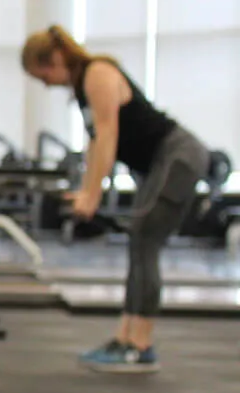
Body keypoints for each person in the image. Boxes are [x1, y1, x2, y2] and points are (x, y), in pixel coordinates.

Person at [21, 25, 209, 373]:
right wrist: (87, 189)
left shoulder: (98, 73)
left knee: (145, 239)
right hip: (159, 163)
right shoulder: (82, 89)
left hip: (178, 157)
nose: (45, 83)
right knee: (139, 241)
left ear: (58, 58)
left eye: (43, 73)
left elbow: (109, 136)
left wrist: (93, 194)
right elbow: (96, 144)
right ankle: (125, 338)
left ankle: (140, 344)